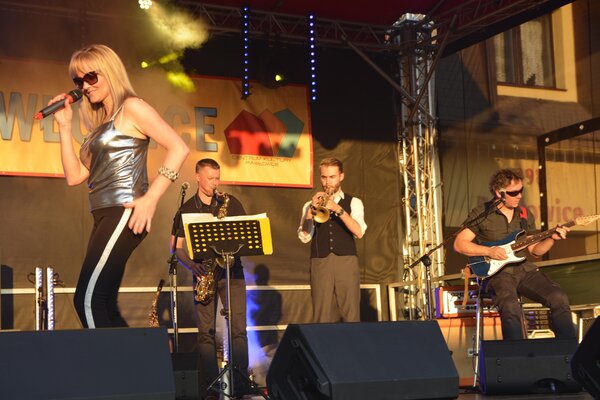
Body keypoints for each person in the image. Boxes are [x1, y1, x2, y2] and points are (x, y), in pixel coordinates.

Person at [49, 44, 189, 328]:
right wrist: (64, 126)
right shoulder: (101, 124)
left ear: (109, 72)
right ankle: (133, 358)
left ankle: (106, 359)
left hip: (123, 209)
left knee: (87, 300)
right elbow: (75, 176)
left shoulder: (132, 107)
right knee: (103, 303)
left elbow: (179, 147)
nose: (84, 86)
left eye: (91, 77)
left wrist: (150, 199)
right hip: (103, 214)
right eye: (78, 81)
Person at [454, 168, 576, 340]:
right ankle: (517, 353)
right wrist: (489, 251)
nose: (519, 196)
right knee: (510, 306)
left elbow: (535, 251)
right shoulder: (481, 213)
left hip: (525, 270)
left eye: (521, 190)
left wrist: (551, 239)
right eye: (513, 192)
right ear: (499, 193)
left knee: (559, 297)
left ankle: (568, 349)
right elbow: (459, 244)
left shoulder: (524, 215)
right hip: (498, 274)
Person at [171, 158, 250, 400]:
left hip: (232, 272)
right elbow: (176, 248)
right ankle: (212, 388)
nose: (215, 183)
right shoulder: (186, 209)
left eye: (217, 178)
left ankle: (240, 386)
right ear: (197, 177)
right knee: (206, 332)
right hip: (204, 273)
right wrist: (192, 265)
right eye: (210, 178)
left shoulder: (230, 202)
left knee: (238, 330)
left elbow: (246, 235)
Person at [297, 157, 367, 323]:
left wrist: (338, 209)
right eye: (324, 177)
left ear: (341, 176)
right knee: (321, 313)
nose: (327, 182)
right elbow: (304, 236)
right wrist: (310, 214)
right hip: (320, 261)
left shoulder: (354, 202)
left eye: (332, 177)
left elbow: (359, 232)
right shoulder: (309, 205)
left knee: (351, 312)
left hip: (346, 260)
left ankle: (352, 340)